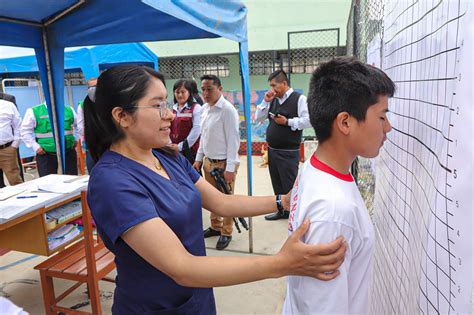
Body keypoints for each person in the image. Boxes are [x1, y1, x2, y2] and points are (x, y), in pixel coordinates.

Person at [84, 65, 347, 314]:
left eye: (167, 103)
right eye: (158, 105)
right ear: (122, 116)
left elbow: (222, 203)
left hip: (196, 298)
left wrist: (283, 201)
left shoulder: (166, 157)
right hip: (155, 306)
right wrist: (280, 264)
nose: (170, 114)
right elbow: (182, 267)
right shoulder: (112, 182)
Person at [283, 57, 395, 314]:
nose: (388, 128)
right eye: (381, 116)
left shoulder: (316, 165)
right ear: (345, 122)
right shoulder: (334, 212)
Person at [255, 70, 311, 220]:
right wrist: (265, 101)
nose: (272, 89)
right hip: (273, 150)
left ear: (284, 84)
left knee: (289, 185)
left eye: (274, 85)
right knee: (277, 184)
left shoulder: (299, 99)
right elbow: (258, 117)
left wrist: (288, 122)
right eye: (270, 86)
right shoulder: (272, 99)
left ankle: (295, 214)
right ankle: (282, 211)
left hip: (288, 151)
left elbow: (308, 120)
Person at [192, 74, 240, 250]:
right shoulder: (205, 109)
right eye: (203, 89)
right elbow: (204, 137)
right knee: (212, 198)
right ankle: (215, 226)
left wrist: (230, 168)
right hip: (208, 162)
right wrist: (198, 159)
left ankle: (226, 232)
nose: (205, 93)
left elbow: (234, 141)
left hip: (224, 163)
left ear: (220, 89)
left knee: (226, 199)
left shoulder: (227, 110)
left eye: (209, 89)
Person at [21, 101, 80, 177]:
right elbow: (24, 131)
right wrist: (35, 146)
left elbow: (79, 125)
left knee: (71, 180)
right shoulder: (34, 111)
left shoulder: (69, 110)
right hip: (46, 154)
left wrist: (76, 138)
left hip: (68, 152)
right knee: (48, 183)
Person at [168, 79, 201, 163]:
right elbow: (166, 127)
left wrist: (181, 146)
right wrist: (170, 144)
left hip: (190, 152)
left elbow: (197, 130)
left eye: (183, 92)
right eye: (177, 92)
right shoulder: (171, 109)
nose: (180, 95)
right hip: (173, 151)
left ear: (189, 93)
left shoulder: (196, 108)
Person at [0, 98, 23, 186]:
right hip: (8, 149)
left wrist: (14, 145)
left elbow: (18, 126)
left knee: (15, 182)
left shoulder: (8, 105)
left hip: (7, 150)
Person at [76, 78, 98, 172]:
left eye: (96, 86)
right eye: (91, 87)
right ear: (87, 89)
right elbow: (80, 127)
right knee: (93, 172)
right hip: (92, 146)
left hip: (110, 146)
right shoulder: (82, 105)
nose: (94, 89)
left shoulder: (109, 102)